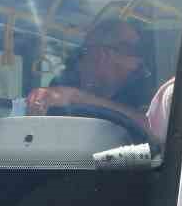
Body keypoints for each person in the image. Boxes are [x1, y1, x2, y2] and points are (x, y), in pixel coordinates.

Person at [26, 14, 155, 130]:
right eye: (132, 50)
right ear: (104, 54)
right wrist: (38, 99)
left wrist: (77, 97)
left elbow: (153, 128)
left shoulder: (143, 85)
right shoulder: (65, 81)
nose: (139, 60)